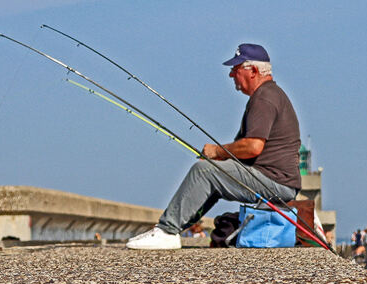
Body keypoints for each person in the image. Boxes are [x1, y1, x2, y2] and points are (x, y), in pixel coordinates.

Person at [127, 43, 301, 250]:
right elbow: (246, 150)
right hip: (276, 180)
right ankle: (172, 229)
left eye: (235, 70)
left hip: (275, 182)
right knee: (211, 173)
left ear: (253, 71)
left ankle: (167, 231)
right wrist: (220, 158)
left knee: (205, 171)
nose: (231, 75)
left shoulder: (264, 98)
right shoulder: (269, 95)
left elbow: (253, 147)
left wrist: (217, 152)